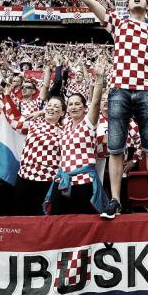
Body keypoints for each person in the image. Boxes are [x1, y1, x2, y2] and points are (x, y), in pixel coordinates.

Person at [56, 0, 148, 218]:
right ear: (129, 5)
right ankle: (114, 200)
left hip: (147, 93)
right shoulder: (118, 24)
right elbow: (89, 1)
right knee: (115, 147)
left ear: (147, 6)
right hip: (120, 91)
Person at [44, 59, 107, 215]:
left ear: (85, 108)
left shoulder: (88, 123)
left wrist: (99, 79)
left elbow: (97, 102)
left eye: (77, 104)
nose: (73, 107)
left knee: (86, 222)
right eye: (70, 104)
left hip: (84, 180)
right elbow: (49, 104)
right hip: (63, 180)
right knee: (57, 221)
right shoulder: (64, 125)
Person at [6, 94, 66, 216]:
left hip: (47, 180)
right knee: (21, 215)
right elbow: (14, 123)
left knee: (42, 218)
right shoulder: (33, 124)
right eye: (49, 105)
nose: (51, 108)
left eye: (56, 106)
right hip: (25, 177)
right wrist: (39, 113)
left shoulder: (65, 130)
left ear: (63, 113)